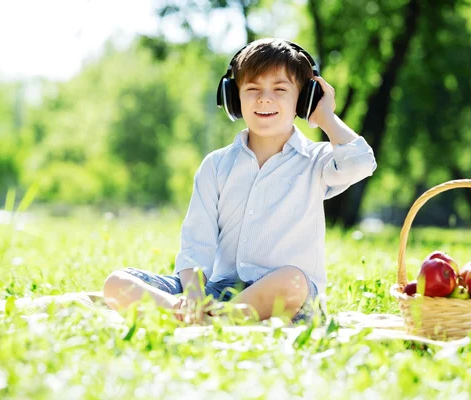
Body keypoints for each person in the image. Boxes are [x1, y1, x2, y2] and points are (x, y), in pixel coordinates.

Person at [103, 38, 377, 325]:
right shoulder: (217, 165)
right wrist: (194, 294)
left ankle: (208, 320)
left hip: (287, 299)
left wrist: (326, 117)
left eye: (280, 89)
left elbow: (361, 163)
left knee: (293, 280)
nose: (264, 98)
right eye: (253, 89)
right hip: (220, 291)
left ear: (304, 98)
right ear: (234, 99)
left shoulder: (317, 160)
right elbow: (197, 244)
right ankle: (201, 315)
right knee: (117, 283)